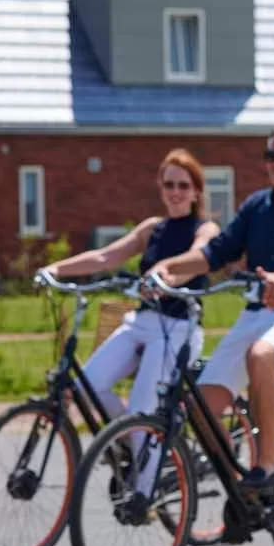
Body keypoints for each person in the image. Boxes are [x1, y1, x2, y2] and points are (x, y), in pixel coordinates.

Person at [149, 126, 274, 486]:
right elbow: (216, 252)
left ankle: (266, 468)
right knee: (202, 408)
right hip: (256, 312)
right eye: (272, 156)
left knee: (261, 356)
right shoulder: (257, 205)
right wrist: (167, 269)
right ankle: (240, 488)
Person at [39, 148, 218, 421]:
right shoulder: (152, 228)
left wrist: (167, 278)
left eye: (184, 185)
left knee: (142, 411)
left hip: (179, 327)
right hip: (142, 320)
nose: (175, 192)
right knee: (87, 388)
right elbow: (105, 256)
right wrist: (56, 269)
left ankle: (141, 446)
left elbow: (198, 258)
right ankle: (124, 443)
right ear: (160, 188)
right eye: (169, 184)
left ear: (196, 192)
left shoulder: (204, 229)